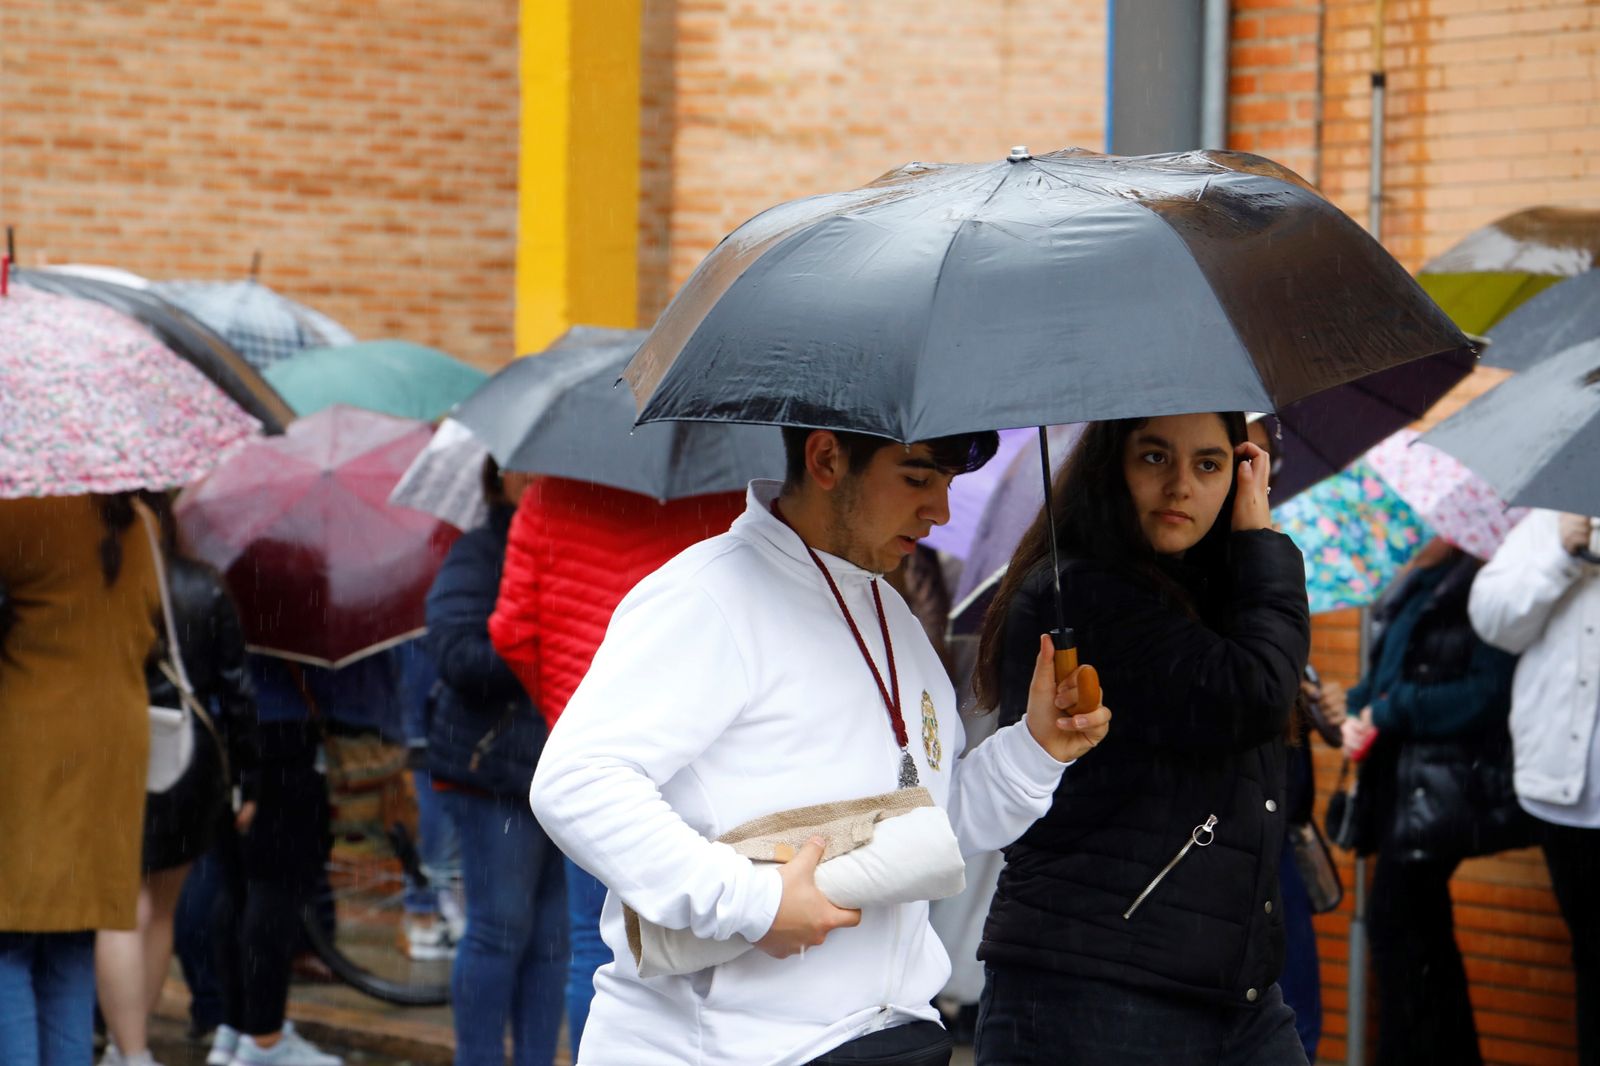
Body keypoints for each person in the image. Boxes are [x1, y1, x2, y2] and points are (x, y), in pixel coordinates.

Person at [530, 427, 1110, 1066]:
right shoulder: (708, 596)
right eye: (917, 477)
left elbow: (927, 826)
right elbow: (578, 779)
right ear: (827, 457)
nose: (939, 510)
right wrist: (755, 902)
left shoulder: (893, 615)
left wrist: (1036, 750)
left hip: (885, 1041)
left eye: (948, 483)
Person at [973, 413, 1309, 1066]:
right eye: (1155, 458)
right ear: (1111, 467)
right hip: (1095, 985)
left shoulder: (1208, 595)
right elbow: (1256, 691)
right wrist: (1261, 543)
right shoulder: (1082, 594)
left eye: (1209, 465)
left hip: (1229, 994)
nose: (1182, 485)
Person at [488, 475, 745, 1047]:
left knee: (595, 945)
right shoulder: (726, 495)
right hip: (704, 752)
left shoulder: (549, 494)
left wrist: (563, 710)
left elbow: (511, 630)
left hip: (593, 764)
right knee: (721, 945)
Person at [1337, 536, 1522, 1066]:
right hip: (1397, 787)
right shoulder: (1411, 589)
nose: (1410, 531)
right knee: (1415, 941)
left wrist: (1393, 711)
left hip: (1439, 793)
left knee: (1403, 934)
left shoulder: (1482, 588)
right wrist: (1356, 714)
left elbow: (1488, 694)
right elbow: (1379, 685)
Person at [97, 494, 259, 1066]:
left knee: (120, 907)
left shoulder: (99, 580)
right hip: (185, 760)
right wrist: (245, 778)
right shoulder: (202, 584)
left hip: (112, 754)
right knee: (160, 909)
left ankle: (128, 1046)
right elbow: (237, 691)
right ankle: (130, 1044)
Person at [0, 494, 159, 1066]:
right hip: (114, 742)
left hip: (30, 744)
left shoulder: (19, 511)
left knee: (8, 938)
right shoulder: (141, 522)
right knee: (71, 944)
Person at [205, 630, 397, 1066]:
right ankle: (264, 1040)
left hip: (220, 725)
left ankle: (235, 1032)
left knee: (235, 888)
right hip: (280, 730)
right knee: (273, 889)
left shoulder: (220, 571)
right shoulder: (285, 577)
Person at [427, 459, 565, 1066]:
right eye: (522, 469)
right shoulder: (480, 552)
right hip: (494, 775)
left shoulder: (568, 548)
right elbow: (456, 654)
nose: (538, 478)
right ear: (498, 478)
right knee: (499, 931)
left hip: (563, 775)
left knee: (553, 943)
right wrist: (537, 635)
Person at [1470, 509, 1600, 1066]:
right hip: (1563, 794)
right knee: (1591, 956)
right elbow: (1492, 620)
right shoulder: (1551, 522)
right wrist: (1561, 555)